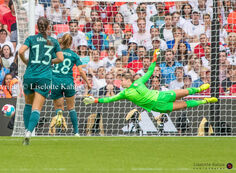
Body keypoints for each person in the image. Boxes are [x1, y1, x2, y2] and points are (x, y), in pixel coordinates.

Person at [83, 49, 218, 113]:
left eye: (121, 81)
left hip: (161, 95)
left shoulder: (139, 82)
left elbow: (149, 72)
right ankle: (205, 100)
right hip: (157, 106)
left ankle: (201, 88)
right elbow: (109, 99)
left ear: (127, 80)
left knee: (184, 91)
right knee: (183, 105)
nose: (120, 83)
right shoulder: (125, 93)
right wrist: (95, 100)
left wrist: (154, 57)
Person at [19, 17, 64, 145]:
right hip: (44, 77)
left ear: (37, 27)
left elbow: (21, 51)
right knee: (36, 108)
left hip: (29, 75)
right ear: (49, 27)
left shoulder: (31, 39)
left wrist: (26, 61)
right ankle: (29, 132)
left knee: (28, 104)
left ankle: (26, 131)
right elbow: (60, 58)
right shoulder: (53, 41)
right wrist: (50, 61)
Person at [51, 33, 91, 136]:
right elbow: (81, 72)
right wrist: (88, 82)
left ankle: (59, 132)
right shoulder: (74, 55)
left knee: (58, 108)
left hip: (56, 81)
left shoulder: (56, 52)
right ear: (71, 43)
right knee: (71, 107)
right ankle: (76, 132)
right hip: (68, 82)